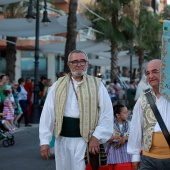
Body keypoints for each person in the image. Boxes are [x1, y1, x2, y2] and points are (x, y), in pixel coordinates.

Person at [39, 50, 113, 170]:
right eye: (75, 61)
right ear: (69, 64)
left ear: (87, 63)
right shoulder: (57, 85)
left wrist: (96, 137)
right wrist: (44, 141)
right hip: (62, 141)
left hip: (85, 142)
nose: (79, 64)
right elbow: (48, 114)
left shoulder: (97, 85)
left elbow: (107, 114)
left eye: (82, 61)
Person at [127, 59, 170, 170]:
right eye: (148, 73)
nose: (151, 76)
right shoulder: (143, 99)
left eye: (155, 71)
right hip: (148, 159)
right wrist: (135, 156)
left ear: (165, 72)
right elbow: (136, 127)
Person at [106, 104, 133, 170]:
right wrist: (114, 138)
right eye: (125, 113)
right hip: (114, 153)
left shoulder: (130, 124)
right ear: (118, 115)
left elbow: (135, 136)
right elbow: (104, 138)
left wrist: (125, 138)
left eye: (128, 112)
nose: (127, 114)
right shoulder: (110, 125)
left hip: (128, 154)